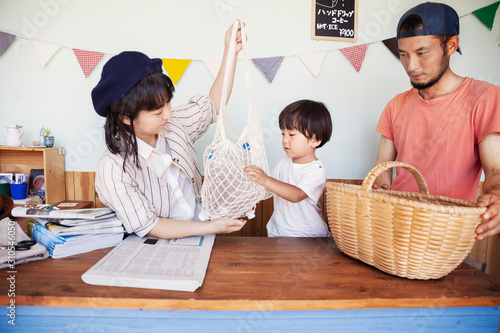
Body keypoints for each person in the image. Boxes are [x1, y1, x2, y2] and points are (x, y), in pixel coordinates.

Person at [91, 22, 247, 239]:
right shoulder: (113, 167)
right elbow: (149, 226)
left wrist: (230, 53)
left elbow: (213, 105)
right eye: (157, 111)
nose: (168, 115)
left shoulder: (174, 125)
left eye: (167, 103)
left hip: (205, 238)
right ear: (125, 117)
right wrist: (211, 227)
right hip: (156, 250)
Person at [372, 2, 500, 240]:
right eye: (403, 55)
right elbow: (382, 173)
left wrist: (497, 195)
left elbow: (495, 169)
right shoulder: (395, 105)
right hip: (395, 229)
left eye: (422, 53)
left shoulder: (486, 98)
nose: (411, 66)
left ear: (451, 45)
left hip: (445, 236)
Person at [244, 100, 333, 237]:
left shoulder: (316, 169)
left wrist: (266, 180)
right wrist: (253, 178)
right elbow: (268, 187)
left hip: (308, 237)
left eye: (291, 135)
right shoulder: (283, 163)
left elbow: (296, 195)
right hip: (278, 233)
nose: (285, 140)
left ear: (315, 140)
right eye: (283, 134)